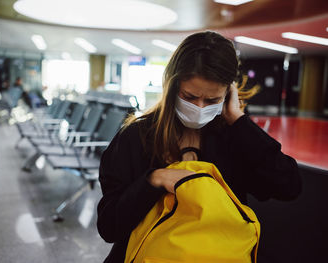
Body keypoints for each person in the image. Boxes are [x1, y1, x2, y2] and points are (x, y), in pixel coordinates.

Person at [97, 31, 302, 262]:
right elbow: (109, 225)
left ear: (228, 93)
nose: (200, 107)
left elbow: (289, 185)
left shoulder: (233, 137)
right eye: (190, 96)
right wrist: (154, 180)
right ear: (172, 86)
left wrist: (238, 120)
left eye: (212, 100)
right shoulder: (137, 136)